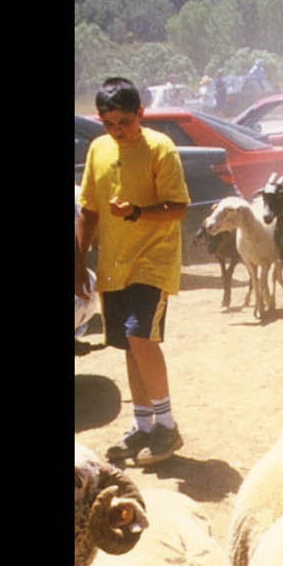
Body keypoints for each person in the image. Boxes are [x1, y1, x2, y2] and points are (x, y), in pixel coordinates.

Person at [75, 77, 192, 467]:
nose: (117, 131)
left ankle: (168, 425)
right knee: (126, 343)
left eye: (124, 121)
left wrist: (139, 213)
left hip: (153, 261)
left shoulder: (161, 148)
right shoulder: (98, 149)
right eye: (108, 124)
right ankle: (143, 425)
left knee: (141, 337)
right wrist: (78, 261)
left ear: (140, 113)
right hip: (113, 265)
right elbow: (89, 211)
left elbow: (177, 207)